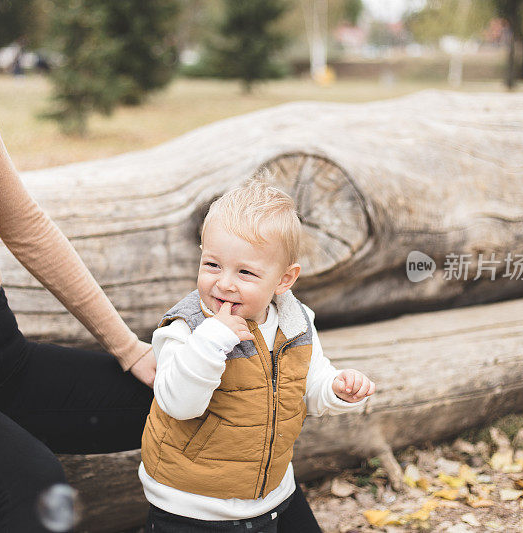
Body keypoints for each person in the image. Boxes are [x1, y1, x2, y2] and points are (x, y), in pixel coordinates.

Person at [0, 1, 328, 531]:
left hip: (4, 358)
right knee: (36, 484)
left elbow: (28, 227)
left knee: (222, 399)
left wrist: (127, 348)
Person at [139, 179, 376, 532]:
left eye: (245, 272)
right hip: (192, 504)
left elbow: (307, 385)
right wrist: (211, 341)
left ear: (283, 280)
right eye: (213, 265)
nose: (225, 283)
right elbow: (178, 403)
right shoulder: (185, 328)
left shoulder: (296, 324)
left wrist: (335, 388)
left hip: (273, 494)